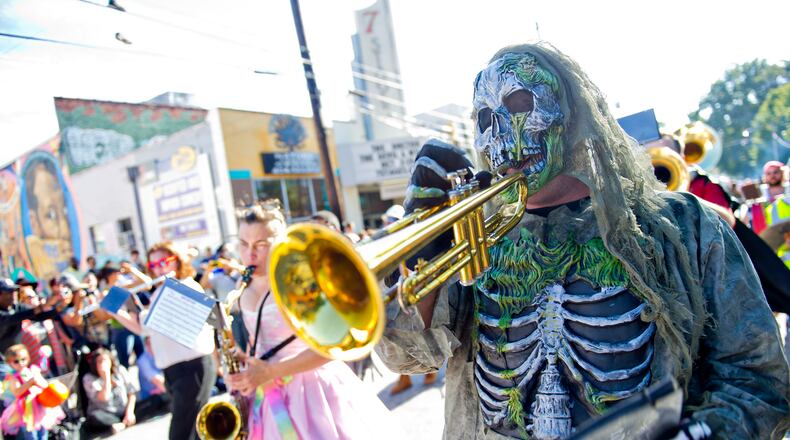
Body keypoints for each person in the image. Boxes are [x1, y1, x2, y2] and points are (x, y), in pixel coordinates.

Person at [375, 43, 789, 439]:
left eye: (520, 105)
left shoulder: (683, 225)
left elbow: (758, 376)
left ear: (572, 116)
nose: (499, 134)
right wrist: (419, 253)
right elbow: (407, 356)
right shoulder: (475, 240)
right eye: (485, 119)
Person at [225, 201, 400, 439]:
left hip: (313, 392)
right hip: (266, 394)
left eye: (260, 244)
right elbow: (256, 342)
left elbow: (331, 349)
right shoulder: (241, 285)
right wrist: (241, 368)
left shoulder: (299, 282)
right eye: (243, 244)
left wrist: (272, 371)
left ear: (279, 242)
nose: (249, 254)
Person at [111, 241, 216, 440]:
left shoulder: (186, 286)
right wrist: (114, 309)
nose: (158, 268)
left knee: (181, 433)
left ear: (176, 261)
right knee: (193, 431)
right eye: (153, 265)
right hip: (173, 371)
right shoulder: (160, 292)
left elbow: (148, 322)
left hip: (192, 367)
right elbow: (142, 329)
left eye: (163, 262)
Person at [0, 344, 65, 439]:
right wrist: (30, 383)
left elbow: (44, 385)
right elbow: (17, 392)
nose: (21, 363)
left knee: (43, 432)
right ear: (10, 363)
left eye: (23, 359)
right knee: (30, 434)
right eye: (16, 361)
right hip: (25, 409)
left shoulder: (32, 370)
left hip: (39, 404)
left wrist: (41, 383)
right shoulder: (13, 377)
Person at [82, 347, 138, 435]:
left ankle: (125, 422)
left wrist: (129, 413)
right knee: (94, 418)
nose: (103, 364)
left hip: (124, 410)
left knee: (156, 400)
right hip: (106, 414)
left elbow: (131, 392)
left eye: (105, 360)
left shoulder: (120, 370)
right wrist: (106, 377)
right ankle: (121, 424)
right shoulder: (89, 379)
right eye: (100, 361)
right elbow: (104, 397)